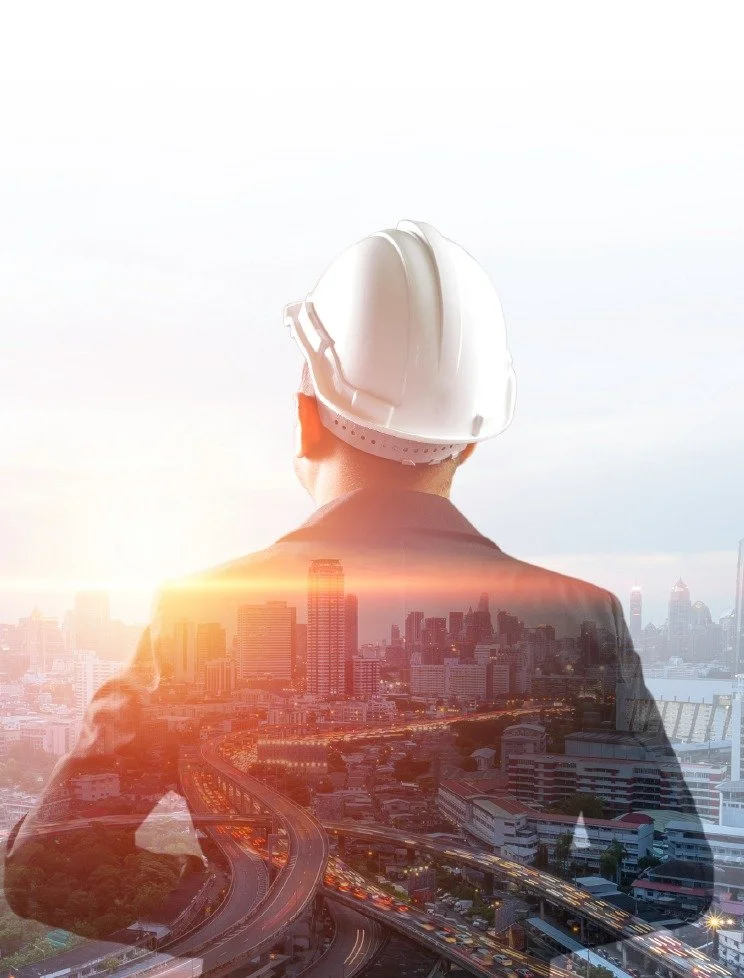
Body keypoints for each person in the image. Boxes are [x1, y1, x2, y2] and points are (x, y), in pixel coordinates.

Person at [5, 222, 712, 958]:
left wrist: (274, 931)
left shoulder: (201, 610)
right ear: (471, 439)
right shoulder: (579, 618)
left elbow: (50, 869)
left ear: (306, 417)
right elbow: (671, 883)